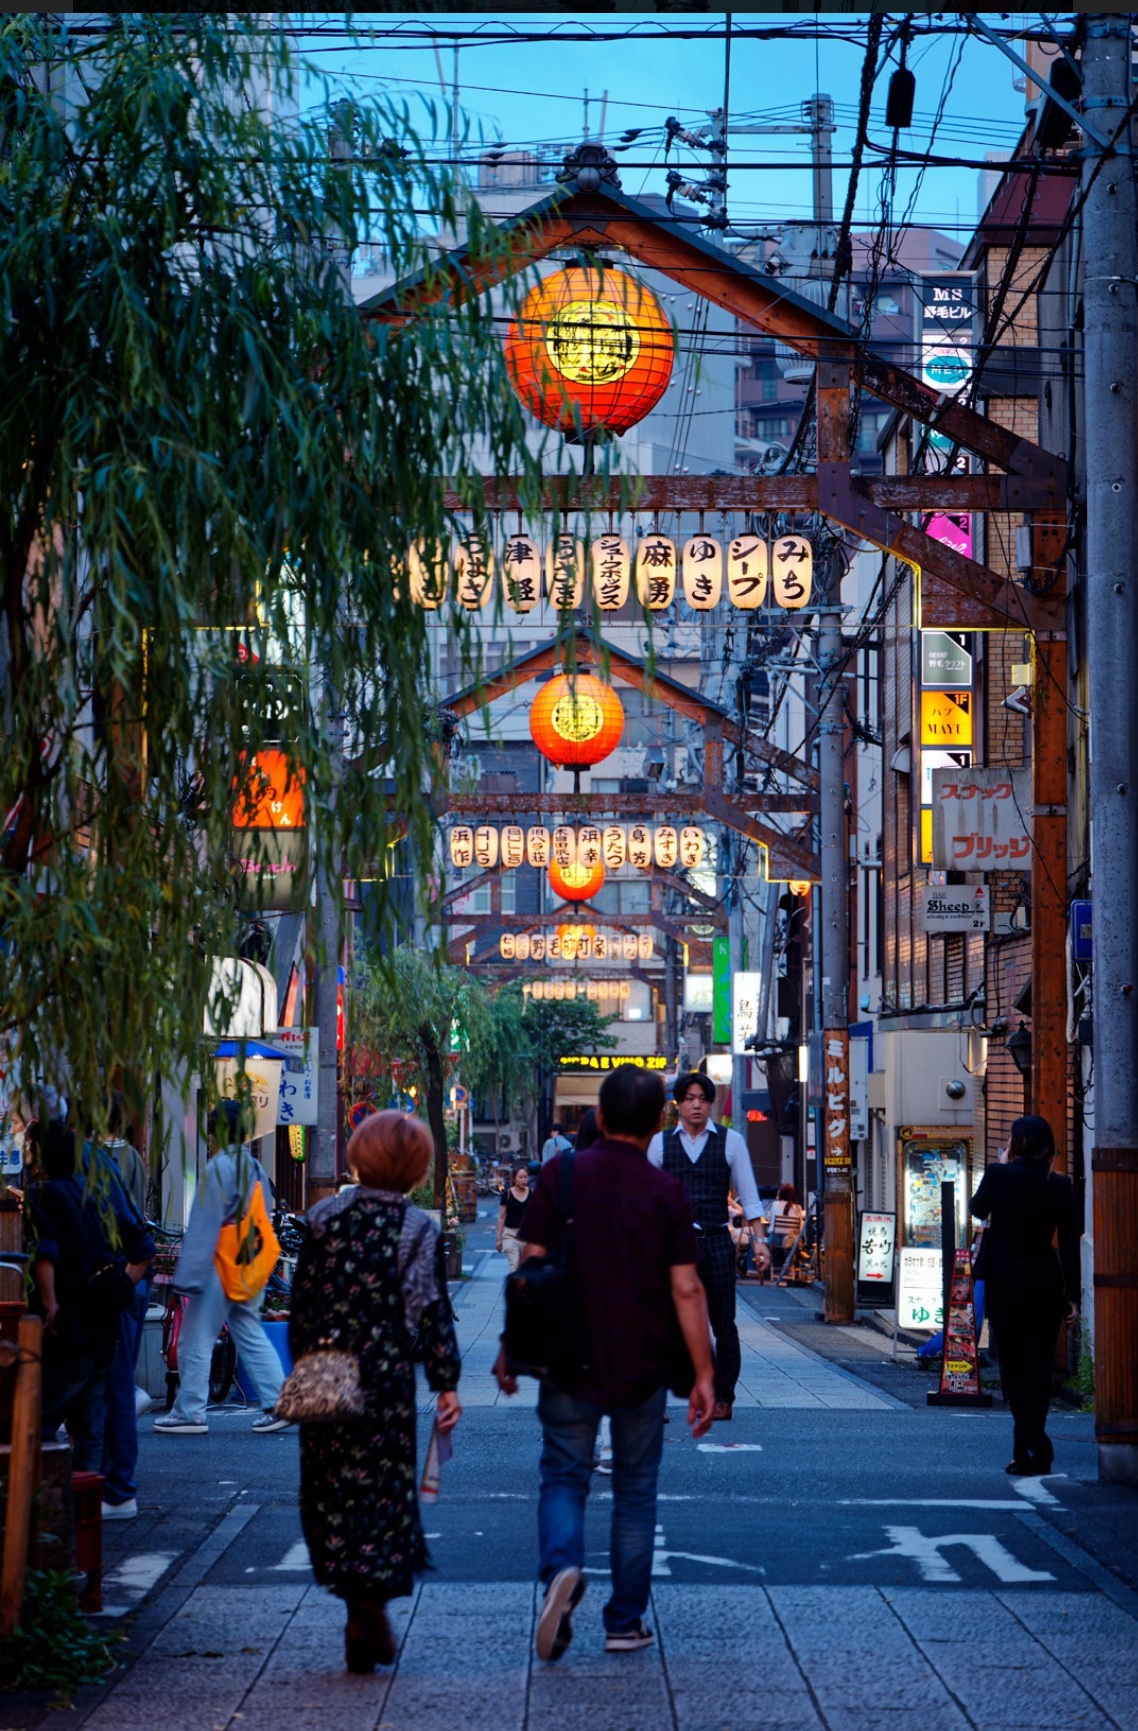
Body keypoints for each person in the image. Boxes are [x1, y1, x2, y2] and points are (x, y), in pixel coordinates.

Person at [496, 1063, 714, 1662]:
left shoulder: (561, 1175)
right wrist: (703, 1374)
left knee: (565, 1476)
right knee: (636, 1494)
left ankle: (563, 1570)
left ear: (597, 1116)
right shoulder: (664, 1191)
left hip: (567, 1356)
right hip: (642, 1360)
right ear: (660, 1121)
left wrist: (509, 1350)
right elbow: (687, 1290)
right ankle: (623, 1622)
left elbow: (530, 1268)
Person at [289, 1110, 461, 1673]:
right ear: (414, 1168)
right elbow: (429, 1310)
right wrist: (445, 1382)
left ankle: (353, 1601)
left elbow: (302, 1304)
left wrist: (308, 1361)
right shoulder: (417, 1230)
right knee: (382, 1492)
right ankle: (373, 1601)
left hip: (325, 1374)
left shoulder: (321, 1218)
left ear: (359, 1157)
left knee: (329, 1490)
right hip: (384, 1380)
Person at [27, 1121, 154, 1474]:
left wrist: (51, 1305)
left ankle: (44, 1502)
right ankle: (87, 1497)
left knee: (42, 1416)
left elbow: (46, 1254)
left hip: (71, 1322)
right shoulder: (97, 1195)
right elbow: (142, 1249)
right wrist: (121, 1289)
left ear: (43, 1159)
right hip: (103, 1323)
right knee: (91, 1422)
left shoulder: (43, 1195)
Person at [153, 1100, 287, 1436]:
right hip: (248, 1262)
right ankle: (279, 1403)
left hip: (217, 1264)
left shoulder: (218, 1168)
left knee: (196, 1338)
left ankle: (190, 1411)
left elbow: (204, 1224)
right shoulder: (254, 1167)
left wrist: (187, 1277)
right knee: (250, 1333)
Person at [647, 1071, 764, 1420]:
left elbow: (750, 1196)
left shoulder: (731, 1141)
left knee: (723, 1323)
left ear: (711, 1103)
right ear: (678, 1104)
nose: (696, 1105)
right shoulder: (659, 1143)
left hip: (715, 1240)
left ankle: (722, 1397)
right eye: (689, 1098)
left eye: (702, 1098)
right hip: (673, 1246)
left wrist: (760, 1243)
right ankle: (656, 1397)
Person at [970, 1114, 1079, 1477]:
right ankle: (1034, 1448)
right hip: (1045, 1287)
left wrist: (1000, 1165)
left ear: (1016, 1144)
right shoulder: (1059, 1185)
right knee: (1037, 1369)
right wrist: (1072, 1297)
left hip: (1004, 1286)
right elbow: (1068, 1246)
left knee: (1013, 1370)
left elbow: (976, 1210)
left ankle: (1028, 1450)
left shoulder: (999, 1175)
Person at [93, 1092, 152, 1519]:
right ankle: (115, 1483)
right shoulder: (134, 1155)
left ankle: (116, 1486)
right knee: (120, 1368)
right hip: (132, 1268)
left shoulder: (95, 1159)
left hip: (113, 1269)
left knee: (111, 1377)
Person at [495, 1163, 531, 1272]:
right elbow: (501, 1217)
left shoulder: (533, 1193)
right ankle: (514, 1288)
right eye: (520, 1177)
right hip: (510, 1235)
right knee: (514, 1266)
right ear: (514, 1179)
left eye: (525, 1177)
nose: (523, 1180)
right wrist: (498, 1239)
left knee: (526, 1268)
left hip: (527, 1235)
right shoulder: (507, 1194)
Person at [767, 1183, 805, 1273]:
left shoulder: (775, 1204)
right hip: (790, 1241)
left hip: (774, 1240)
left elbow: (768, 1218)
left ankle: (773, 1270)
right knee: (795, 1242)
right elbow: (799, 1228)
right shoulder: (798, 1208)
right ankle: (791, 1266)